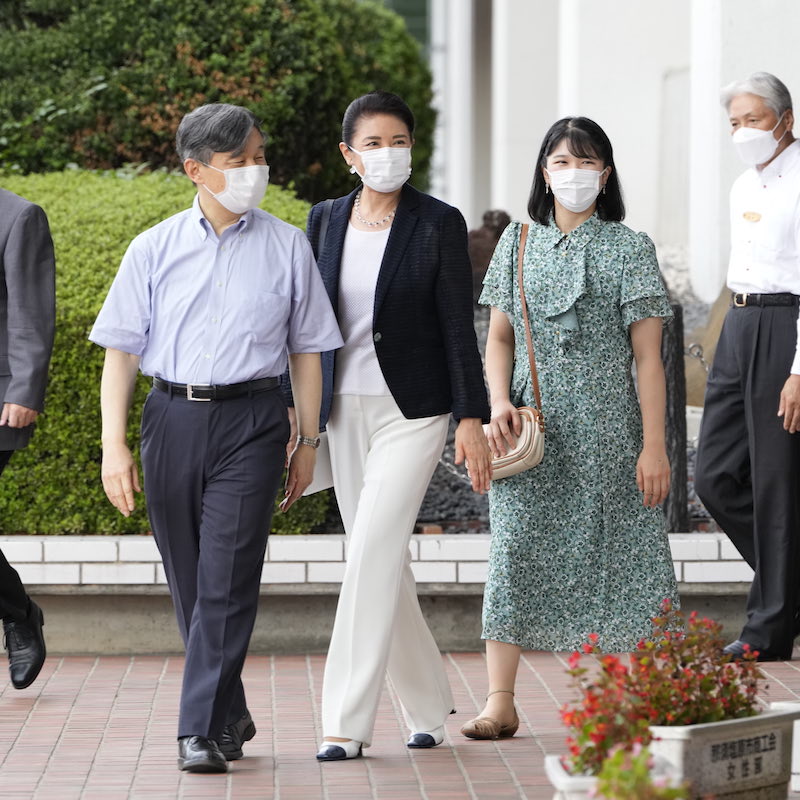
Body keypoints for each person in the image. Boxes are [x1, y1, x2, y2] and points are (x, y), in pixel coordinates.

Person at [90, 103, 342, 773]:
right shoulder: (153, 248)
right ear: (196, 170)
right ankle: (228, 710)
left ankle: (195, 729)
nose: (256, 170)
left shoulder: (288, 245)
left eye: (260, 156)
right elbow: (119, 351)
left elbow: (308, 353)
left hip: (255, 422)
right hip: (171, 417)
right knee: (192, 585)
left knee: (228, 579)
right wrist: (114, 445)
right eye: (240, 161)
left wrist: (309, 441)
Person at [464, 116, 678, 739]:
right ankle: (500, 702)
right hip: (532, 432)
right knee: (514, 552)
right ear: (543, 170)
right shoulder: (517, 243)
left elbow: (649, 358)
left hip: (613, 433)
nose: (574, 173)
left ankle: (628, 699)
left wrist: (655, 445)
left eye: (587, 162)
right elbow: (498, 337)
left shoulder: (630, 246)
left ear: (605, 173)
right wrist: (497, 401)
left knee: (623, 560)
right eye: (562, 161)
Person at [297, 91, 492, 761]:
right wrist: (299, 423)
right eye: (373, 144)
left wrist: (471, 415)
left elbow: (454, 327)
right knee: (381, 562)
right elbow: (303, 326)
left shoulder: (438, 222)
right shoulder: (322, 220)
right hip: (341, 410)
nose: (389, 154)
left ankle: (343, 723)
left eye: (399, 141)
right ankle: (430, 705)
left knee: (371, 550)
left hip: (415, 410)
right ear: (349, 155)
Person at [695, 72, 800, 662]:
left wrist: (799, 369)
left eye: (752, 120)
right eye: (734, 123)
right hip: (737, 325)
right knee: (715, 475)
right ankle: (788, 593)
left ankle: (769, 630)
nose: (742, 132)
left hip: (785, 327)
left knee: (775, 483)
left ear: (785, 119)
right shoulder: (743, 186)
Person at [0, 188, 55, 690]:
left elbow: (30, 311)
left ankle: (18, 616)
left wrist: (24, 388)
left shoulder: (18, 216)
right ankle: (19, 612)